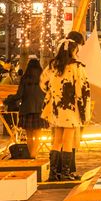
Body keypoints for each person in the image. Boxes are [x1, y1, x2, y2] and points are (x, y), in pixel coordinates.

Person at [41, 31, 91, 182]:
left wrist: (54, 93)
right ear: (74, 50)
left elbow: (43, 83)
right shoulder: (77, 67)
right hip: (71, 107)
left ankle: (53, 173)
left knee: (57, 140)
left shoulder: (53, 65)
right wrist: (85, 112)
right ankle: (65, 172)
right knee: (68, 139)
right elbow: (83, 90)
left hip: (56, 107)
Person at [15, 56, 46, 156]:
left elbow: (19, 94)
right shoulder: (43, 79)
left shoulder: (25, 78)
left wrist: (9, 100)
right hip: (40, 109)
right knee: (38, 134)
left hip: (27, 109)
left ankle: (30, 153)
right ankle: (34, 153)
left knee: (29, 135)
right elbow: (47, 93)